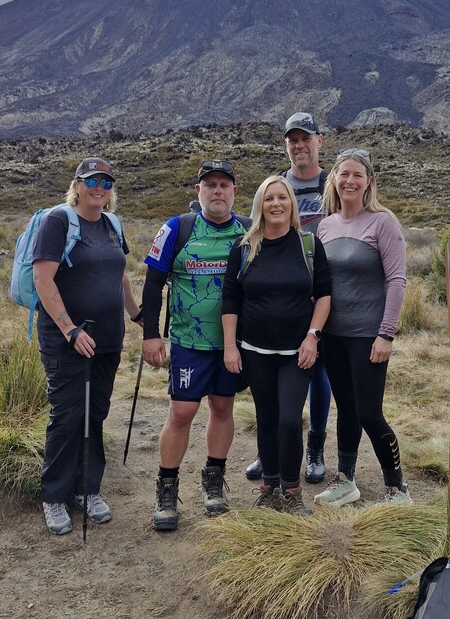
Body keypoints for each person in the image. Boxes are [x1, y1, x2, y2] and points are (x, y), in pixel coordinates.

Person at [33, 157, 144, 535]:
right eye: (92, 180)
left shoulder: (112, 224)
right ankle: (54, 495)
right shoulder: (59, 221)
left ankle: (88, 488)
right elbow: (43, 280)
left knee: (95, 413)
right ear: (78, 185)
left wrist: (136, 313)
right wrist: (69, 330)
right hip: (67, 339)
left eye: (106, 181)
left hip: (107, 339)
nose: (99, 187)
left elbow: (120, 275)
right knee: (67, 415)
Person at [142, 159, 249, 531]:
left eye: (224, 185)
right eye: (210, 185)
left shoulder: (249, 231)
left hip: (232, 344)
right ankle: (167, 487)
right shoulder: (177, 229)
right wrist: (150, 334)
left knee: (222, 407)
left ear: (234, 191)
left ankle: (214, 481)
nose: (217, 191)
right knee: (182, 412)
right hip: (189, 340)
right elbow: (153, 283)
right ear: (198, 191)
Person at [222, 175, 331, 514]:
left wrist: (312, 336)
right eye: (269, 198)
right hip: (255, 350)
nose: (276, 204)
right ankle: (269, 487)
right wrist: (230, 346)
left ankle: (291, 491)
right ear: (260, 205)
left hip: (297, 352)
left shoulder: (308, 245)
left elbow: (324, 294)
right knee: (266, 417)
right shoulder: (244, 247)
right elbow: (230, 299)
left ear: (291, 204)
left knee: (288, 420)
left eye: (282, 197)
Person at [314, 148, 410, 506]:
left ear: (369, 181)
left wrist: (386, 333)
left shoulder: (383, 222)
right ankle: (346, 481)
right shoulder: (326, 225)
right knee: (347, 408)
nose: (350, 181)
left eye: (357, 175)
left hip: (369, 336)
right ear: (334, 180)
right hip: (334, 336)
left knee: (369, 412)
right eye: (344, 174)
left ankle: (397, 488)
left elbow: (397, 280)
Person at [245, 111, 332, 484]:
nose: (299, 146)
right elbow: (254, 228)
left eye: (305, 139)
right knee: (275, 394)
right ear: (286, 146)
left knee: (318, 372)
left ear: (318, 142)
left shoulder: (333, 183)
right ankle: (273, 453)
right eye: (292, 140)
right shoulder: (276, 186)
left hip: (324, 287)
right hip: (284, 287)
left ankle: (314, 445)